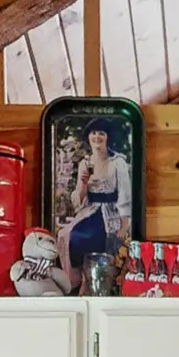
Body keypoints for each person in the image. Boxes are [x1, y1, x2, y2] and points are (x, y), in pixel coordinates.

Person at [58, 120, 133, 286]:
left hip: (111, 212)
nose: (97, 137)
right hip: (90, 210)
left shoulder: (117, 162)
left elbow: (124, 193)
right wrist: (84, 183)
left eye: (101, 133)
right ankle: (78, 281)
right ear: (88, 137)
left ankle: (96, 280)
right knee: (66, 234)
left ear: (107, 137)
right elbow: (79, 199)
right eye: (93, 133)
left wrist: (124, 224)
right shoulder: (85, 163)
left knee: (94, 237)